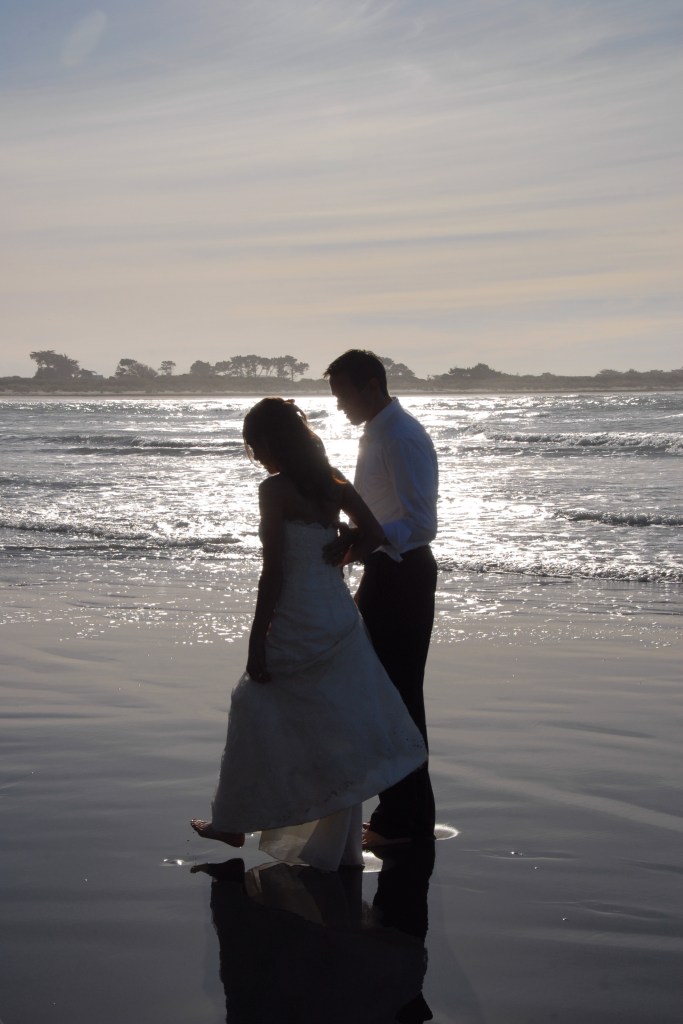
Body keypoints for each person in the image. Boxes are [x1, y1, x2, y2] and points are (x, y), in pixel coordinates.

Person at [191, 397, 427, 871]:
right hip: (336, 616)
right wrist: (346, 549)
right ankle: (296, 821)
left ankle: (233, 823)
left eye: (254, 445)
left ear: (271, 443)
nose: (254, 455)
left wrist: (257, 640)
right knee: (331, 718)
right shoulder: (332, 482)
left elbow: (272, 573)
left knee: (254, 706)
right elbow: (377, 534)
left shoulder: (274, 491)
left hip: (298, 616)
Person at [324, 350, 438, 847]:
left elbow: (420, 523)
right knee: (387, 693)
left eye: (344, 395)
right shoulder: (378, 432)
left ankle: (407, 819)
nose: (340, 406)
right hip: (386, 570)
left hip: (404, 573)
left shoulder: (402, 436)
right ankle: (398, 814)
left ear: (371, 386)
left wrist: (364, 537)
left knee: (400, 694)